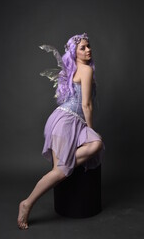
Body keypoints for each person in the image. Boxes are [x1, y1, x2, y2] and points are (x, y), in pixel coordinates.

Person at [17, 32, 105, 229]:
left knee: (64, 167)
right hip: (67, 122)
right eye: (83, 47)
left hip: (63, 119)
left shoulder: (76, 70)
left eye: (88, 46)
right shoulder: (85, 70)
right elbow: (87, 105)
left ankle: (29, 201)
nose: (88, 49)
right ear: (74, 52)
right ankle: (27, 203)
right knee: (64, 169)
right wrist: (90, 129)